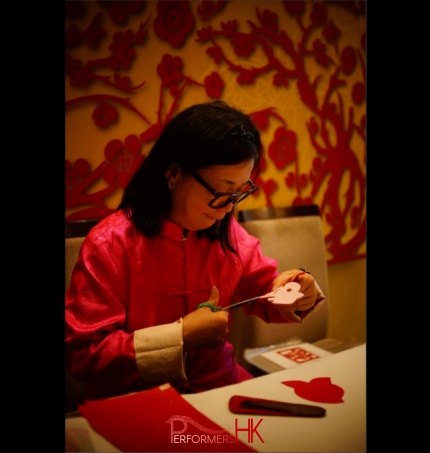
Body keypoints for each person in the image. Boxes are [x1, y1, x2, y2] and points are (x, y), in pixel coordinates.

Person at [65, 100, 325, 401]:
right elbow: (83, 355)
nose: (230, 207)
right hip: (135, 402)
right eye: (221, 192)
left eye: (240, 192)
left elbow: (266, 289)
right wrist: (179, 337)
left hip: (220, 390)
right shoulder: (109, 244)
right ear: (174, 174)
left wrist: (294, 289)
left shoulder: (226, 231)